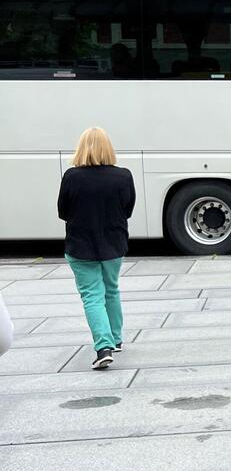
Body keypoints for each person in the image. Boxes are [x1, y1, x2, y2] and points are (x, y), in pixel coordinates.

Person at [57, 127, 135, 369]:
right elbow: (128, 210)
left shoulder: (71, 176)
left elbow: (63, 212)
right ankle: (116, 338)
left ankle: (103, 348)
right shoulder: (124, 176)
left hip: (81, 247)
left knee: (92, 295)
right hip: (113, 245)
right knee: (111, 289)